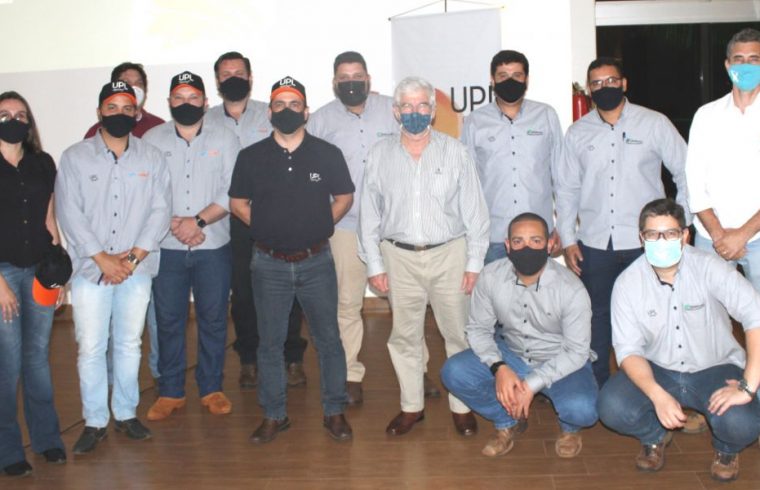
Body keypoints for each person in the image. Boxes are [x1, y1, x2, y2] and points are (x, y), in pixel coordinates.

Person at [358, 76, 490, 436]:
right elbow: (369, 215)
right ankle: (411, 407)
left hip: (450, 255)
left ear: (433, 111)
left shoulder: (456, 152)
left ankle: (462, 406)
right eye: (407, 106)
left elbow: (476, 213)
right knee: (404, 336)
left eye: (421, 106)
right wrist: (374, 264)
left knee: (458, 335)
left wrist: (474, 263)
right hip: (398, 258)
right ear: (395, 111)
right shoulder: (380, 154)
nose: (414, 112)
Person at [308, 51, 439, 405]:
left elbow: (421, 148)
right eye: (344, 78)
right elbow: (310, 172)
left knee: (406, 303)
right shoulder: (320, 121)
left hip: (393, 227)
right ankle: (350, 373)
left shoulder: (392, 110)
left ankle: (418, 369)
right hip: (346, 227)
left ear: (369, 79)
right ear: (334, 82)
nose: (351, 83)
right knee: (347, 304)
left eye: (358, 76)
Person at [598, 198, 760, 483]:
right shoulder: (627, 283)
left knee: (743, 423)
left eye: (670, 233)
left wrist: (747, 387)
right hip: (658, 368)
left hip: (715, 367)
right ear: (641, 239)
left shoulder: (710, 267)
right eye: (653, 234)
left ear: (685, 236)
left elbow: (755, 316)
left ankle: (726, 449)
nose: (661, 241)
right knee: (612, 406)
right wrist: (656, 395)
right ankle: (654, 436)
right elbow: (628, 351)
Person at [229, 76, 354, 443]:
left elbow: (344, 196)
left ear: (306, 111)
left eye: (294, 104)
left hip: (316, 262)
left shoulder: (327, 153)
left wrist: (320, 224)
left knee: (328, 339)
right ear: (269, 112)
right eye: (280, 105)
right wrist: (264, 227)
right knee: (270, 343)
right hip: (268, 264)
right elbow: (237, 203)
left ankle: (334, 411)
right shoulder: (250, 156)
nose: (287, 111)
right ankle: (274, 415)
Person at [556, 57, 690, 387]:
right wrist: (568, 239)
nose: (605, 88)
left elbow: (685, 172)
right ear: (589, 90)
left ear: (624, 83)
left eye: (611, 81)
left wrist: (679, 227)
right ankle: (600, 389)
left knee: (654, 318)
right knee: (596, 320)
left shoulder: (654, 123)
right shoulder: (577, 133)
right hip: (595, 245)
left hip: (647, 245)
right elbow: (567, 189)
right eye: (597, 83)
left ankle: (660, 388)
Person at [56, 81, 171, 454]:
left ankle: (125, 413)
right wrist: (102, 258)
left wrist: (132, 259)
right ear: (99, 112)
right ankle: (94, 420)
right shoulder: (74, 157)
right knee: (91, 347)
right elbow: (69, 212)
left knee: (128, 343)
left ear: (137, 114)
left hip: (136, 269)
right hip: (91, 270)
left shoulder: (152, 157)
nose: (119, 114)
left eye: (127, 108)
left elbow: (160, 210)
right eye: (112, 107)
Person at [441, 213, 597, 458]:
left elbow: (577, 352)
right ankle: (507, 421)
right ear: (507, 245)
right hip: (512, 353)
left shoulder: (571, 289)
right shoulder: (491, 276)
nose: (526, 248)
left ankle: (570, 428)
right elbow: (478, 329)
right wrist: (499, 367)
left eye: (535, 241)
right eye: (518, 241)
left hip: (559, 358)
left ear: (549, 245)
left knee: (583, 409)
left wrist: (531, 385)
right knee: (454, 371)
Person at [206, 51, 308, 389]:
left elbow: (305, 141)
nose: (233, 78)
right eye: (226, 73)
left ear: (250, 78)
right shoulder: (205, 121)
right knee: (243, 294)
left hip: (278, 217)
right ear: (217, 81)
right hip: (230, 221)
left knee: (288, 290)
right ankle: (249, 359)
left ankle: (293, 358)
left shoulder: (273, 111)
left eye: (239, 72)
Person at [143, 72, 240, 420]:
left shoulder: (225, 138)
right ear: (169, 102)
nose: (186, 103)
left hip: (213, 244)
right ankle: (170, 391)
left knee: (213, 319)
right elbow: (146, 191)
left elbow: (233, 189)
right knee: (168, 320)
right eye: (179, 98)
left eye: (193, 97)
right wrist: (175, 224)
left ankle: (211, 387)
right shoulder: (151, 140)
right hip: (166, 245)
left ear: (205, 102)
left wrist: (196, 222)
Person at [84, 61, 165, 382]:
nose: (131, 87)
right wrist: (103, 256)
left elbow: (160, 200)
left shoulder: (158, 130)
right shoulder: (89, 140)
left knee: (150, 324)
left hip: (143, 251)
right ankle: (106, 381)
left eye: (137, 83)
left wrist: (135, 255)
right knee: (99, 334)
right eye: (123, 82)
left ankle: (159, 376)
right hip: (102, 254)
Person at [0, 92, 67, 476]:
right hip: (3, 273)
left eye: (20, 114)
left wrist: (57, 274)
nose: (13, 120)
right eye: (5, 114)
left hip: (40, 269)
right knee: (8, 363)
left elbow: (49, 220)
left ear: (29, 122)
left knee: (37, 358)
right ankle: (8, 450)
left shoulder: (43, 163)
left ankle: (47, 440)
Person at [461, 50, 562, 264]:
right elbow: (467, 182)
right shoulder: (475, 121)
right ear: (492, 80)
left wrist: (563, 227)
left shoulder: (546, 115)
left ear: (526, 79)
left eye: (517, 75)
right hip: (493, 236)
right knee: (493, 287)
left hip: (538, 235)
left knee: (540, 287)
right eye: (503, 76)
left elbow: (561, 176)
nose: (510, 81)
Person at [687, 28, 760, 287]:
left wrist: (742, 235)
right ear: (728, 66)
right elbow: (694, 183)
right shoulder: (706, 115)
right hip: (711, 238)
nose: (746, 66)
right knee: (708, 310)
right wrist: (719, 235)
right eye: (739, 59)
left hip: (758, 236)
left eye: (754, 59)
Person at [84, 62, 165, 138]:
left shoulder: (158, 126)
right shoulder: (96, 133)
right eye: (127, 82)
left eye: (139, 83)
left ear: (145, 91)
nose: (134, 88)